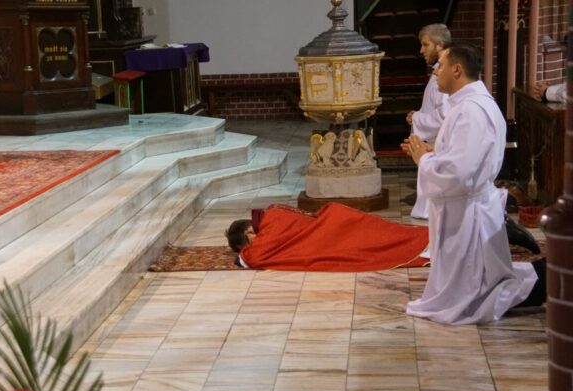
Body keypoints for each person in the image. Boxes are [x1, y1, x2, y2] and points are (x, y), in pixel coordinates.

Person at [403, 44, 545, 325]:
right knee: (480, 279)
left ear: (457, 70)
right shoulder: (469, 104)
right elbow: (466, 155)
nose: (436, 71)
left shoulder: (471, 110)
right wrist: (434, 150)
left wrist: (424, 160)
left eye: (441, 65)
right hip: (467, 207)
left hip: (468, 212)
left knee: (478, 289)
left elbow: (459, 173)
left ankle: (545, 281)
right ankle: (544, 280)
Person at [225, 203, 430, 272]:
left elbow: (254, 257)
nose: (252, 245)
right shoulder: (272, 211)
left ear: (249, 232)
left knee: (376, 242)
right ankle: (427, 239)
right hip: (337, 222)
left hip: (334, 230)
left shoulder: (271, 222)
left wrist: (243, 255)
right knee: (386, 234)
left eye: (247, 243)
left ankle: (425, 242)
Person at [406, 23, 451, 219]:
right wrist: (417, 115)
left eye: (426, 45)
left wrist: (418, 118)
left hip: (440, 144)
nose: (421, 50)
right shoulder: (437, 73)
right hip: (434, 144)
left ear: (439, 45)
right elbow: (435, 108)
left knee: (436, 208)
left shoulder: (446, 75)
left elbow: (444, 115)